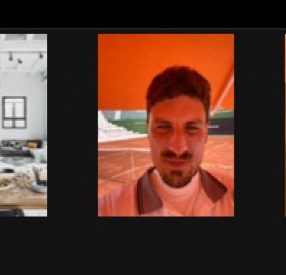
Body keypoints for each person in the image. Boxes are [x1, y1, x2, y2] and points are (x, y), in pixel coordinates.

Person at [97, 69, 233, 216]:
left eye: (192, 128)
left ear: (206, 133)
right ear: (148, 131)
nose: (178, 148)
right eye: (163, 127)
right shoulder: (108, 209)